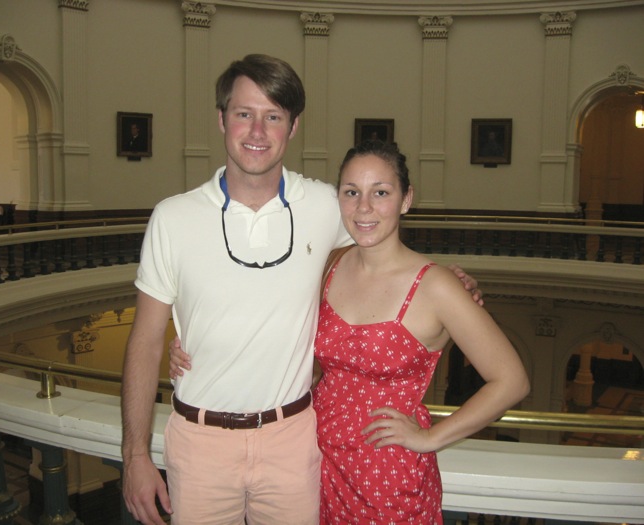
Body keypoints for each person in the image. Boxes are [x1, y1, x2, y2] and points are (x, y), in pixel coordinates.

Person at [121, 54, 481, 525]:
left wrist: (452, 284)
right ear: (221, 119)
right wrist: (134, 457)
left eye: (273, 116)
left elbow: (383, 233)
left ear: (292, 128)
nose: (257, 131)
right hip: (200, 440)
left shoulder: (327, 204)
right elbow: (146, 341)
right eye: (243, 114)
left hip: (293, 441)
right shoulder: (173, 217)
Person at [314, 140, 529, 522]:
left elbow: (511, 381)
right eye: (352, 193)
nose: (364, 207)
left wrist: (430, 438)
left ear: (406, 199)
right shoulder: (331, 263)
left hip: (387, 476)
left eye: (380, 192)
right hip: (315, 461)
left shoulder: (436, 286)